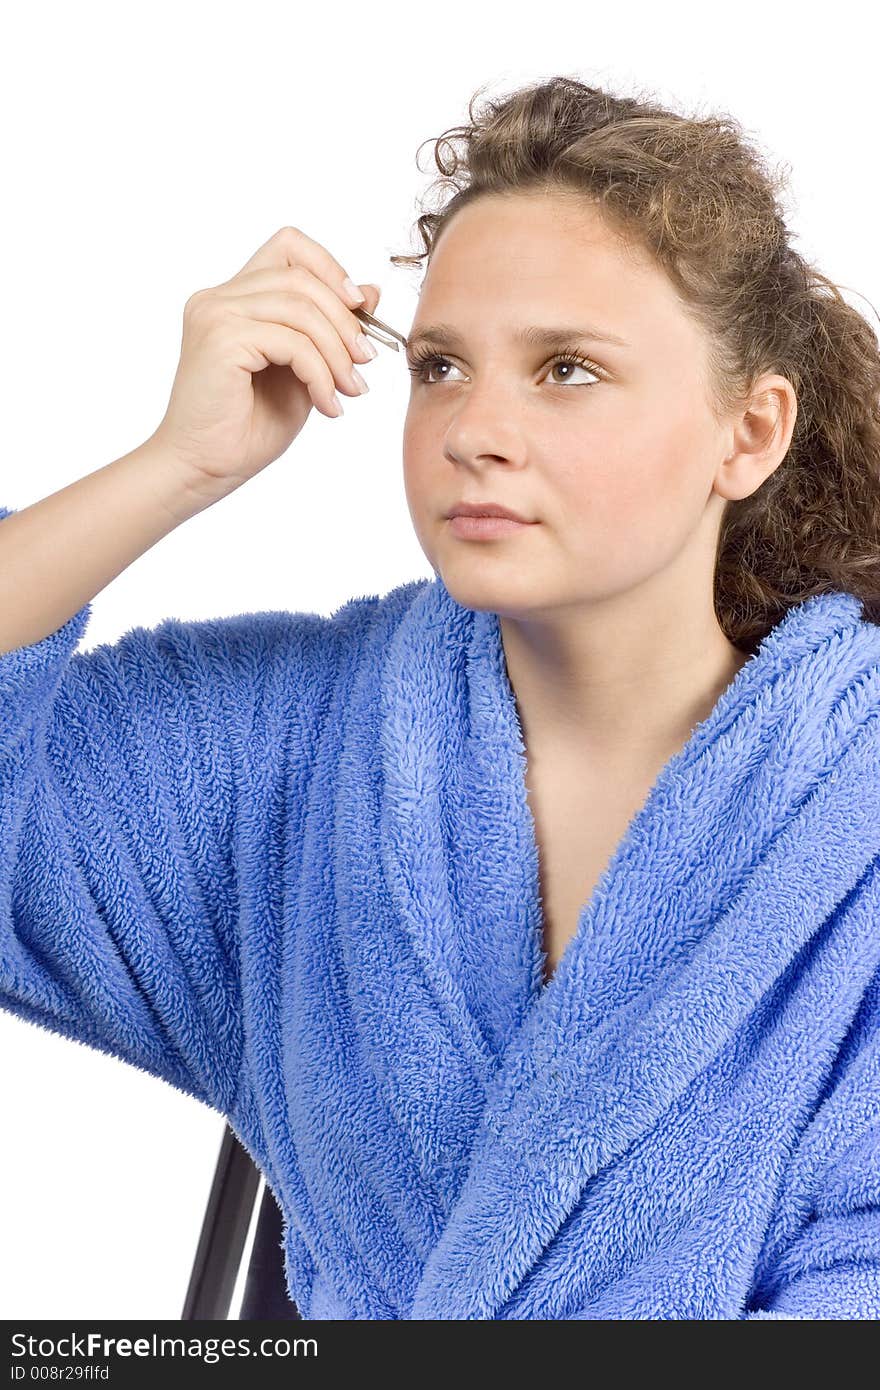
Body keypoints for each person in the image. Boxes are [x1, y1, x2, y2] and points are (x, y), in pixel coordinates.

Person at [2, 74, 879, 1321]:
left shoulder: (850, 810)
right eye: (440, 366)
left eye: (566, 369)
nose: (475, 429)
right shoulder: (293, 750)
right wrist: (171, 466)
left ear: (749, 433)